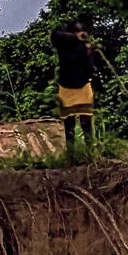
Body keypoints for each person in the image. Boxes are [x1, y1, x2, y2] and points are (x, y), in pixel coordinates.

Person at [55, 18, 102, 157]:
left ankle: (90, 155)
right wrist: (74, 36)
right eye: (78, 32)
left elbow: (89, 69)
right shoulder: (63, 46)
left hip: (83, 87)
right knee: (69, 126)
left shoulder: (84, 49)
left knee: (86, 123)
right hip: (66, 89)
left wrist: (91, 54)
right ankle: (71, 158)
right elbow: (55, 34)